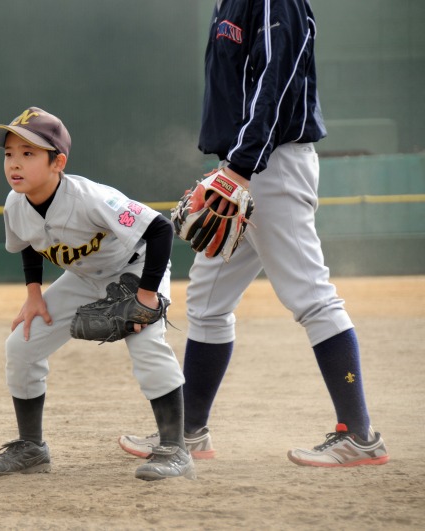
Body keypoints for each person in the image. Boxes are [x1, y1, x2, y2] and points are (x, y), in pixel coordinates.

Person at [119, 0, 389, 467]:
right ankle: (189, 431)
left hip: (272, 163)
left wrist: (241, 168)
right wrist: (230, 167)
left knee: (312, 296)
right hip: (244, 165)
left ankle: (359, 434)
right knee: (206, 300)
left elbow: (277, 77)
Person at [0, 106, 194, 482]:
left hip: (135, 269)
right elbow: (29, 240)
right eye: (9, 153)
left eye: (29, 154)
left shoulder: (91, 198)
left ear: (58, 161)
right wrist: (33, 294)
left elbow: (159, 230)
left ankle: (175, 449)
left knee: (147, 346)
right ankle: (32, 447)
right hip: (82, 278)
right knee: (21, 346)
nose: (15, 163)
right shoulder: (15, 203)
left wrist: (146, 295)